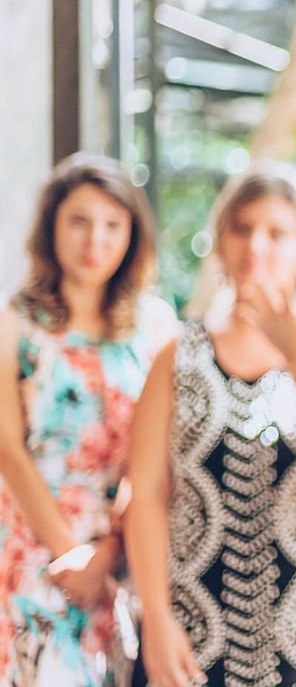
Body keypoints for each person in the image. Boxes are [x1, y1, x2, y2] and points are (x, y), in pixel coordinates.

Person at [125, 161, 296, 687]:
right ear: (220, 238)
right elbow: (147, 495)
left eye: (277, 233)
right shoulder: (178, 355)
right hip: (189, 634)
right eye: (242, 227)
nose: (256, 247)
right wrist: (156, 620)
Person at [0, 153, 173, 686]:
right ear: (51, 226)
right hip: (30, 545)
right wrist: (69, 551)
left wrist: (109, 554)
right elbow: (6, 447)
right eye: (78, 221)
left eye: (112, 225)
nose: (94, 240)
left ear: (132, 234)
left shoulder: (157, 329)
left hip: (119, 559)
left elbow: (156, 465)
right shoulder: (16, 323)